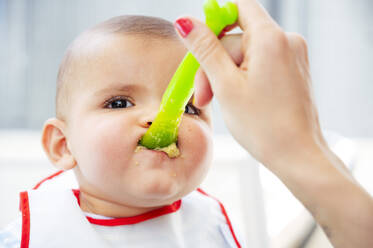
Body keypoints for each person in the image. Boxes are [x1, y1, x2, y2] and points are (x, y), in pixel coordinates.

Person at [173, 0, 373, 247]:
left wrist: (304, 152)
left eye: (190, 108)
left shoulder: (216, 222)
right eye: (119, 103)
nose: (150, 116)